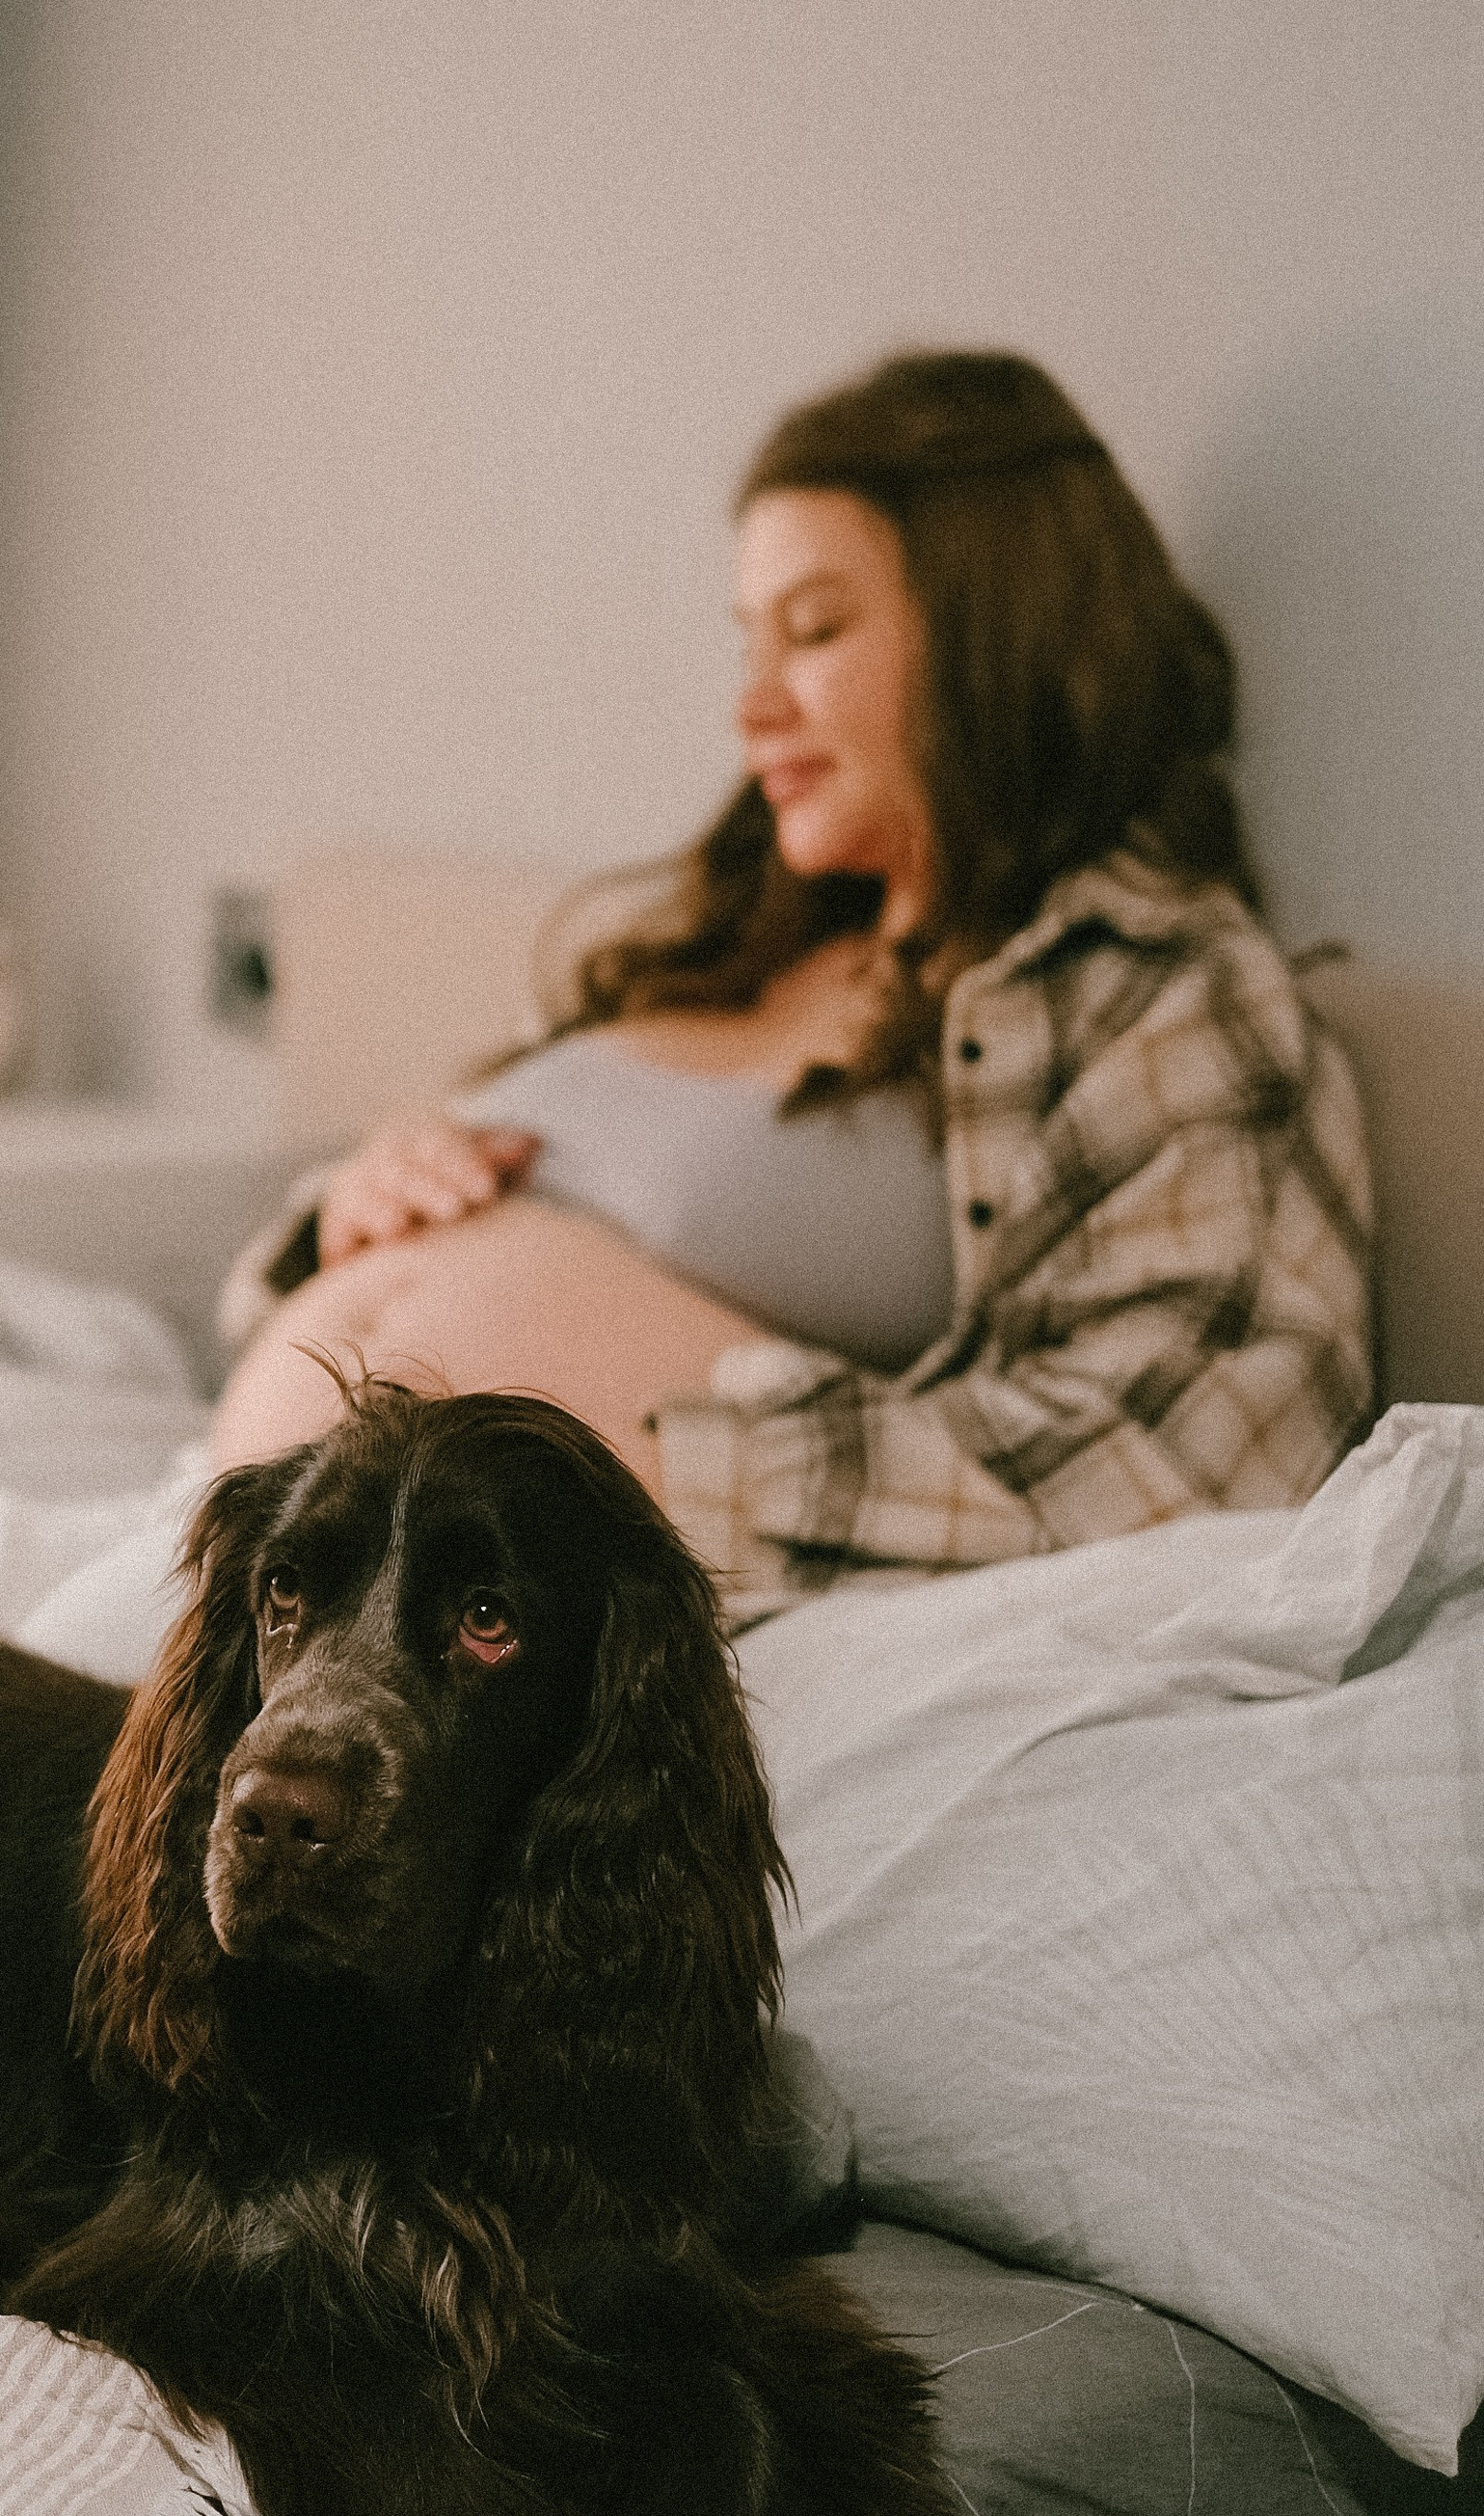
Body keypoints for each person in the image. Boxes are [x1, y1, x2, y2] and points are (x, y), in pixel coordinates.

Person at [208, 351, 1374, 1626]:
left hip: (461, 1632)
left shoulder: (1158, 995)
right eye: (749, 641)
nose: (754, 705)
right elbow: (288, 1303)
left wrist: (652, 1456)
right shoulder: (723, 940)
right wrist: (353, 1219)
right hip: (274, 1568)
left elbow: (1205, 1461)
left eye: (815, 631)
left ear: (998, 632)